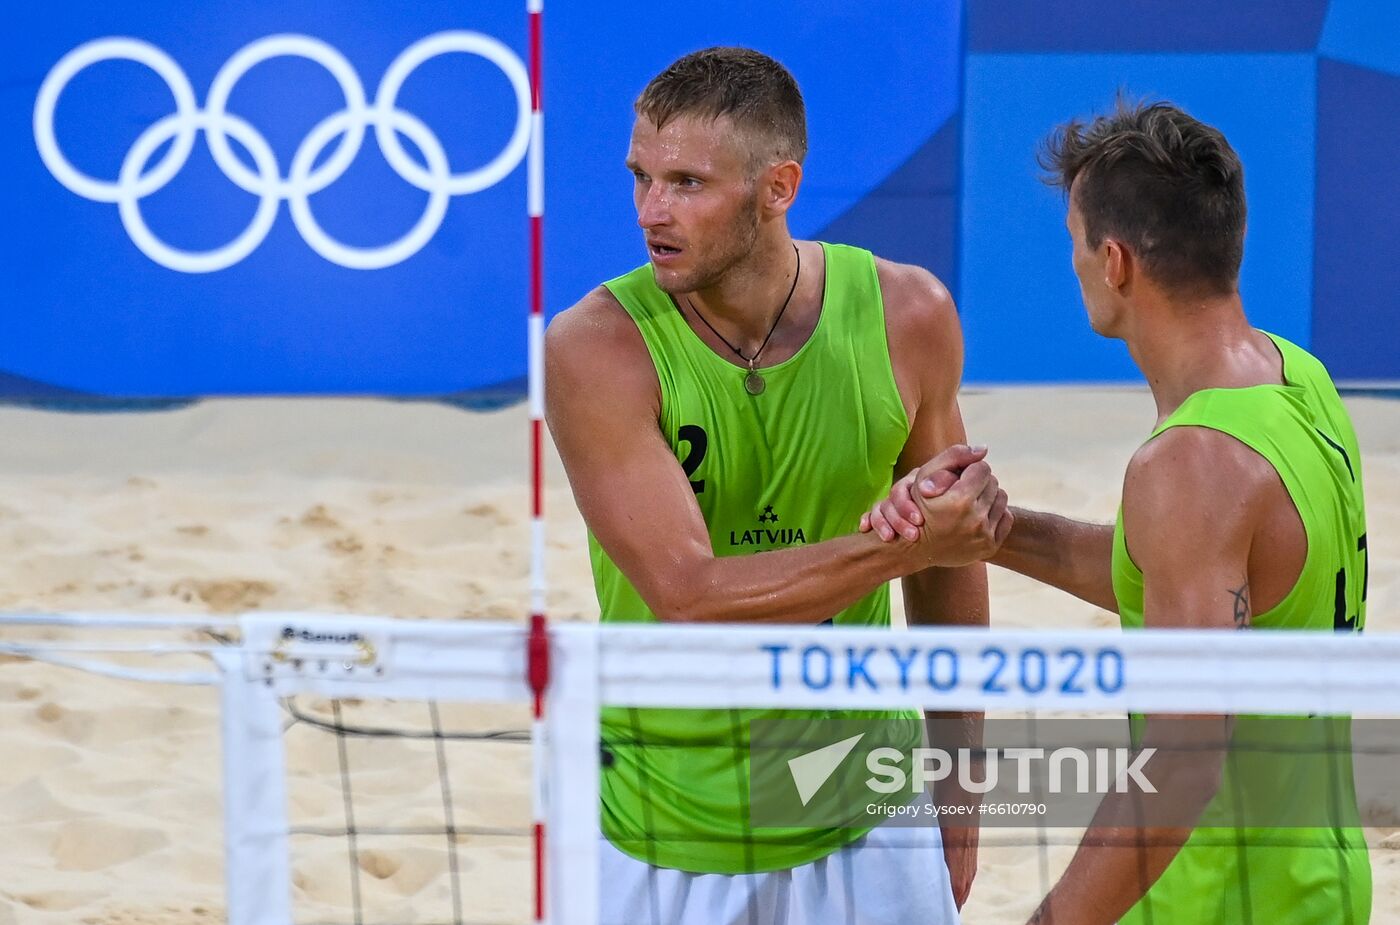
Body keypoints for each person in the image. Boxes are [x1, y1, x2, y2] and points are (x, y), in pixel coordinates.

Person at [862, 98, 1372, 924]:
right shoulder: (1296, 378)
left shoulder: (1191, 462)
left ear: (1115, 262)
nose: (1072, 263)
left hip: (1216, 901)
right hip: (1318, 880)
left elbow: (1182, 760)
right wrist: (995, 527)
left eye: (1074, 241)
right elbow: (1183, 581)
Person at [546, 46, 1011, 925]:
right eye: (641, 177)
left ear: (778, 187)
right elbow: (687, 595)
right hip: (666, 816)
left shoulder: (909, 315)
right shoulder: (596, 347)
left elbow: (949, 574)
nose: (651, 211)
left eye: (687, 183)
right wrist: (905, 543)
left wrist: (960, 788)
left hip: (865, 804)